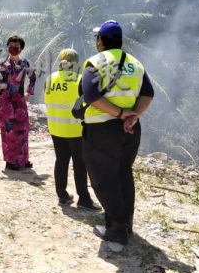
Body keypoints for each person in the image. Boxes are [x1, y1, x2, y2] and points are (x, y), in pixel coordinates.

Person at [80, 20, 154, 246]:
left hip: (102, 129)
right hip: (130, 130)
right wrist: (133, 116)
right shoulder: (135, 63)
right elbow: (148, 94)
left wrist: (120, 112)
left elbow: (91, 96)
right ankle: (125, 223)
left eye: (97, 38)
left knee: (104, 179)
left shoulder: (95, 62)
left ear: (100, 40)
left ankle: (116, 230)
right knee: (123, 174)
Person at [44, 48, 101, 211]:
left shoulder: (50, 79)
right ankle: (83, 199)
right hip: (75, 130)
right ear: (76, 64)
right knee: (80, 165)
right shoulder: (80, 80)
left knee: (61, 161)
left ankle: (62, 196)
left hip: (55, 128)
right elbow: (87, 105)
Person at [0, 35, 36, 170]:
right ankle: (10, 161)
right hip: (5, 103)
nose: (13, 48)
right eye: (11, 46)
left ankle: (23, 160)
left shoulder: (25, 63)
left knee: (23, 130)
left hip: (19, 101)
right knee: (8, 133)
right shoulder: (2, 63)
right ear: (7, 47)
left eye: (16, 47)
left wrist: (28, 93)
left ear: (21, 48)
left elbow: (33, 77)